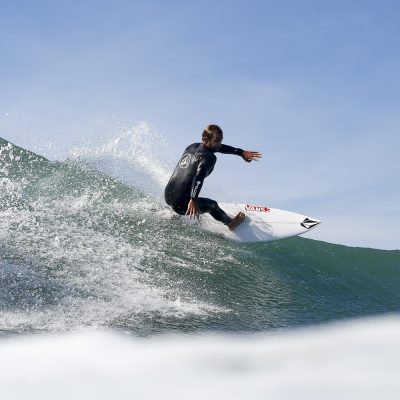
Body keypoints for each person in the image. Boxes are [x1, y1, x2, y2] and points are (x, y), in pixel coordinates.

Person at [164, 124, 262, 231]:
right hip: (182, 205)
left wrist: (241, 152)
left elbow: (220, 148)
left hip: (168, 196)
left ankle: (176, 213)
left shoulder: (192, 147)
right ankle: (231, 223)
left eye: (220, 141)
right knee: (213, 205)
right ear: (205, 139)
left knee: (186, 190)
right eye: (216, 141)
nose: (219, 144)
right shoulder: (208, 157)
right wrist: (193, 200)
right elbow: (198, 178)